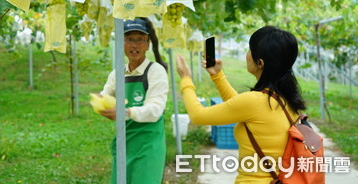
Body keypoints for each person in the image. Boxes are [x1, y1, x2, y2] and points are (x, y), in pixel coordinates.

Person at [175, 26, 307, 183]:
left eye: (250, 50)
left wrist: (185, 79)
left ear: (260, 63)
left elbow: (198, 116)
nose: (247, 55)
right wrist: (217, 76)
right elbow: (241, 108)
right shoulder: (285, 99)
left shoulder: (255, 101)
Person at [97, 17, 169, 184]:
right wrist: (100, 101)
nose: (134, 45)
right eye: (129, 39)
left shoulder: (155, 71)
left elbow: (155, 109)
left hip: (148, 146)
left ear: (147, 44)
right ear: (122, 43)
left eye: (139, 40)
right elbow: (106, 93)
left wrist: (126, 112)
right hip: (125, 143)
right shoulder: (118, 73)